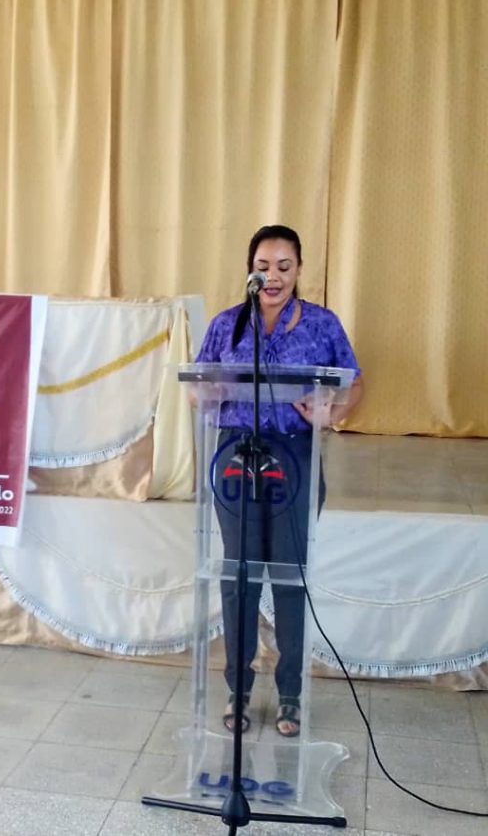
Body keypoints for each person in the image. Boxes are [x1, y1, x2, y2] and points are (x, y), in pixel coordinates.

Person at [195, 225, 364, 737]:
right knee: (239, 575)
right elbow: (197, 384)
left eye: (284, 267)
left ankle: (291, 694)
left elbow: (354, 382)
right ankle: (238, 691)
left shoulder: (321, 324)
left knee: (290, 576)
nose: (273, 277)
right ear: (250, 271)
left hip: (294, 455)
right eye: (263, 267)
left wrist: (332, 411)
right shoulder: (227, 326)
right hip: (234, 456)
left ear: (299, 270)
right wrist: (207, 393)